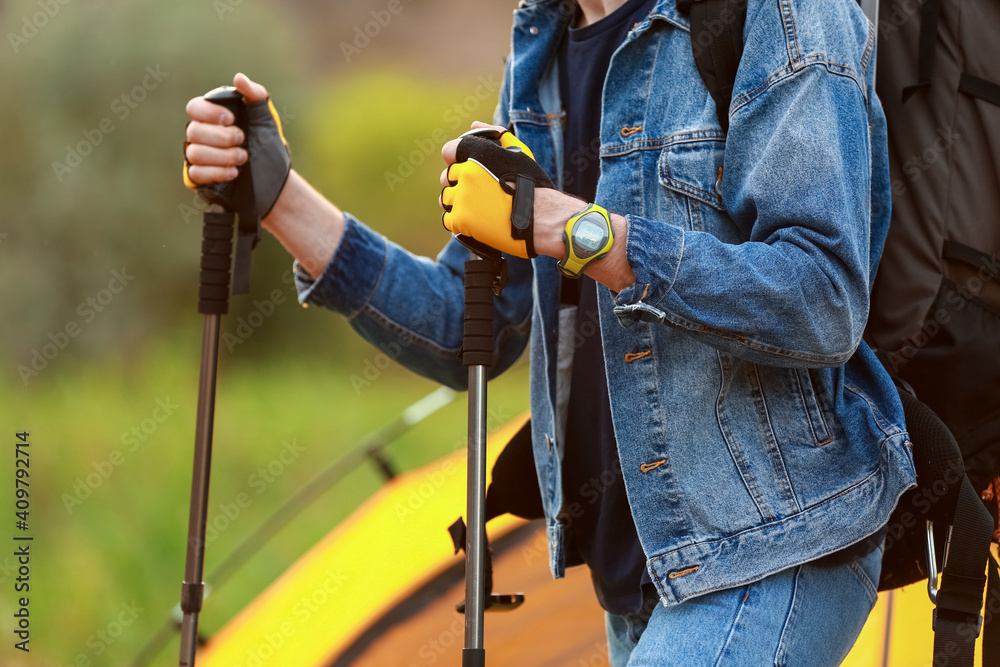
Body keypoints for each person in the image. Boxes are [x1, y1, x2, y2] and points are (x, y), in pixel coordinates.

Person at [183, 0, 916, 663]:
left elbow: (820, 297)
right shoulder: (546, 45)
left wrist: (580, 231)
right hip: (636, 569)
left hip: (774, 545)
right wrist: (279, 199)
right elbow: (464, 325)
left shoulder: (781, 12)